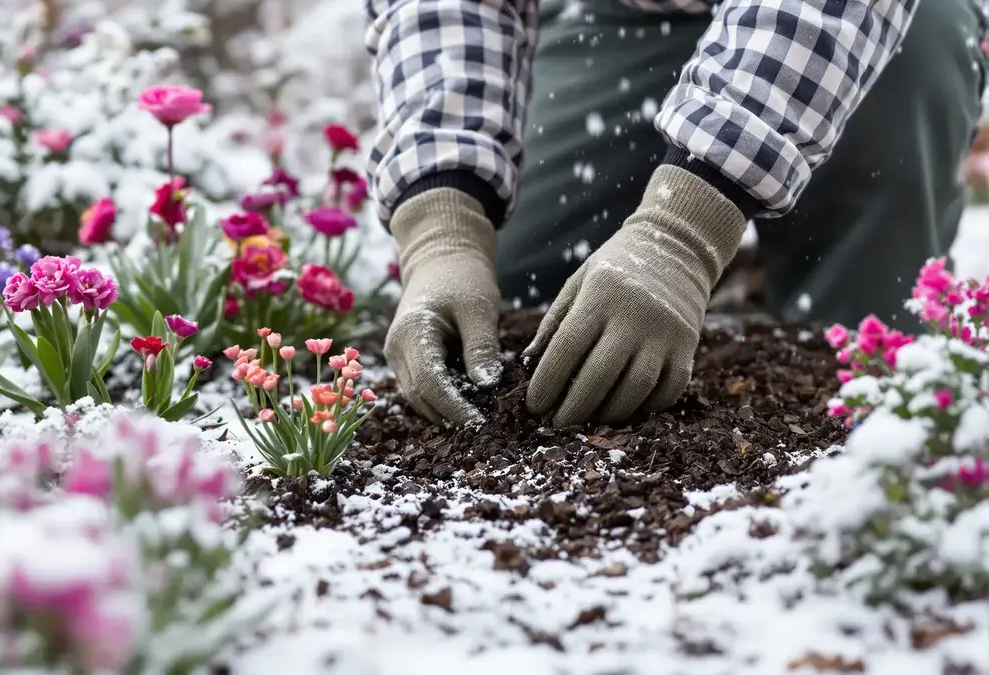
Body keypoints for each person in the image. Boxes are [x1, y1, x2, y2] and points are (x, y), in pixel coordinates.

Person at [364, 0, 989, 429]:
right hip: (619, 17)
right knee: (518, 293)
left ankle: (870, 388)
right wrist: (442, 230)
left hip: (861, 21)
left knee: (898, 105)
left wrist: (682, 233)